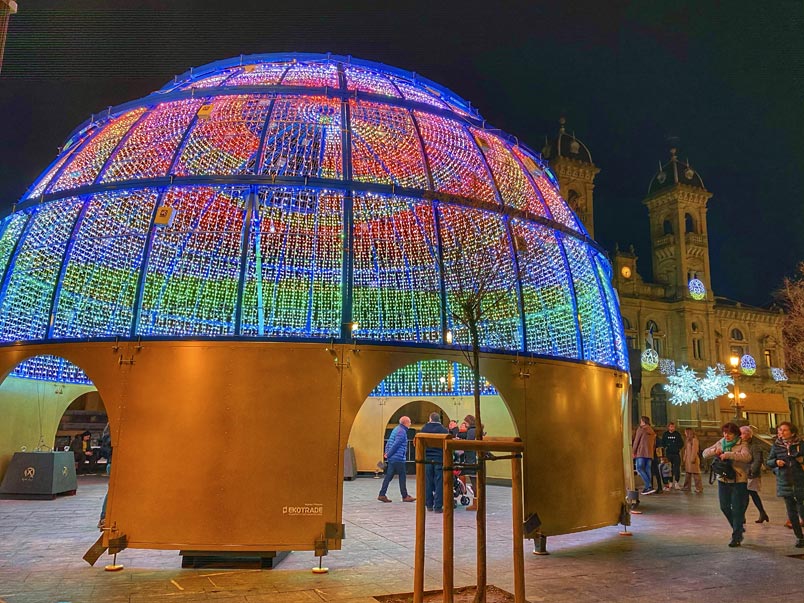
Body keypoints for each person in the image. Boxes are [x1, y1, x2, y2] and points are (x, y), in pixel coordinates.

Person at [702, 422, 751, 547]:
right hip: (723, 479)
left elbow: (747, 457)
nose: (726, 436)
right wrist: (715, 450)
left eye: (729, 433)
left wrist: (729, 455)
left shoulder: (742, 443)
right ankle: (737, 527)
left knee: (737, 509)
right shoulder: (721, 442)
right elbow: (704, 453)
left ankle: (736, 536)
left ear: (735, 434)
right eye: (724, 433)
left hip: (738, 480)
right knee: (724, 506)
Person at [766, 421, 804, 548]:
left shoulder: (800, 444)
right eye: (779, 430)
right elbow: (769, 461)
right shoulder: (776, 446)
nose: (781, 432)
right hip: (785, 481)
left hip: (800, 480)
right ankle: (799, 537)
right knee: (791, 512)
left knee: (802, 509)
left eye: (784, 430)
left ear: (792, 432)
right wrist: (776, 462)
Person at [378, 416, 415, 503]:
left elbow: (389, 442)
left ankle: (382, 494)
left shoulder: (396, 429)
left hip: (392, 458)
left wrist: (387, 453)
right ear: (405, 423)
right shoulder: (402, 432)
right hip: (398, 458)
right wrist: (389, 454)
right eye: (409, 422)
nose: (410, 424)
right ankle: (405, 496)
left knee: (389, 476)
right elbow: (396, 445)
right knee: (402, 476)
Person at [421, 412, 449, 512]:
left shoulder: (424, 429)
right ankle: (438, 506)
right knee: (439, 483)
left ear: (430, 419)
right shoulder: (444, 430)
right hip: (439, 459)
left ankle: (428, 505)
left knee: (427, 482)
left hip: (427, 459)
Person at [740, 425, 769, 523]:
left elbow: (758, 460)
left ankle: (743, 516)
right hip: (743, 473)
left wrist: (752, 470)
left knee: (748, 494)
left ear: (749, 434)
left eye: (743, 433)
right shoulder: (742, 444)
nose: (741, 435)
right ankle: (762, 513)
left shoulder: (755, 445)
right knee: (750, 494)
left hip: (751, 474)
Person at [458, 414, 478, 511]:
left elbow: (468, 444)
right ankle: (478, 502)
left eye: (465, 423)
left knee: (474, 482)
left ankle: (476, 503)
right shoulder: (477, 430)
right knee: (477, 482)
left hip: (471, 459)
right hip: (476, 458)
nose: (465, 425)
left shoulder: (471, 431)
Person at [632, 416, 656, 495]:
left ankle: (648, 486)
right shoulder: (652, 431)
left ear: (642, 421)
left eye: (641, 421)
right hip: (649, 453)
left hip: (641, 452)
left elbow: (636, 441)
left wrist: (633, 451)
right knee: (647, 469)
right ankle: (647, 488)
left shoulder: (641, 429)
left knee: (639, 468)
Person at [661, 422, 684, 489]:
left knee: (676, 468)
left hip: (676, 454)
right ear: (668, 427)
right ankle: (670, 481)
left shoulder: (677, 434)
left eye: (673, 427)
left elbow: (681, 443)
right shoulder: (665, 434)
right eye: (671, 427)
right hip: (668, 454)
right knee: (669, 469)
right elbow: (663, 443)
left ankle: (676, 482)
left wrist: (677, 448)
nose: (672, 428)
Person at [98, 423, 113, 529]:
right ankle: (104, 517)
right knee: (113, 491)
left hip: (114, 463)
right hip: (114, 463)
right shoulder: (111, 435)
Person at [680, 427, 703, 493]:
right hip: (688, 460)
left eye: (685, 432)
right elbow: (686, 450)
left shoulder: (694, 440)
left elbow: (694, 450)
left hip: (693, 460)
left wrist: (692, 459)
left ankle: (699, 488)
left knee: (696, 475)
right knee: (688, 474)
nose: (684, 433)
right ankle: (686, 487)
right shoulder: (687, 440)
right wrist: (684, 457)